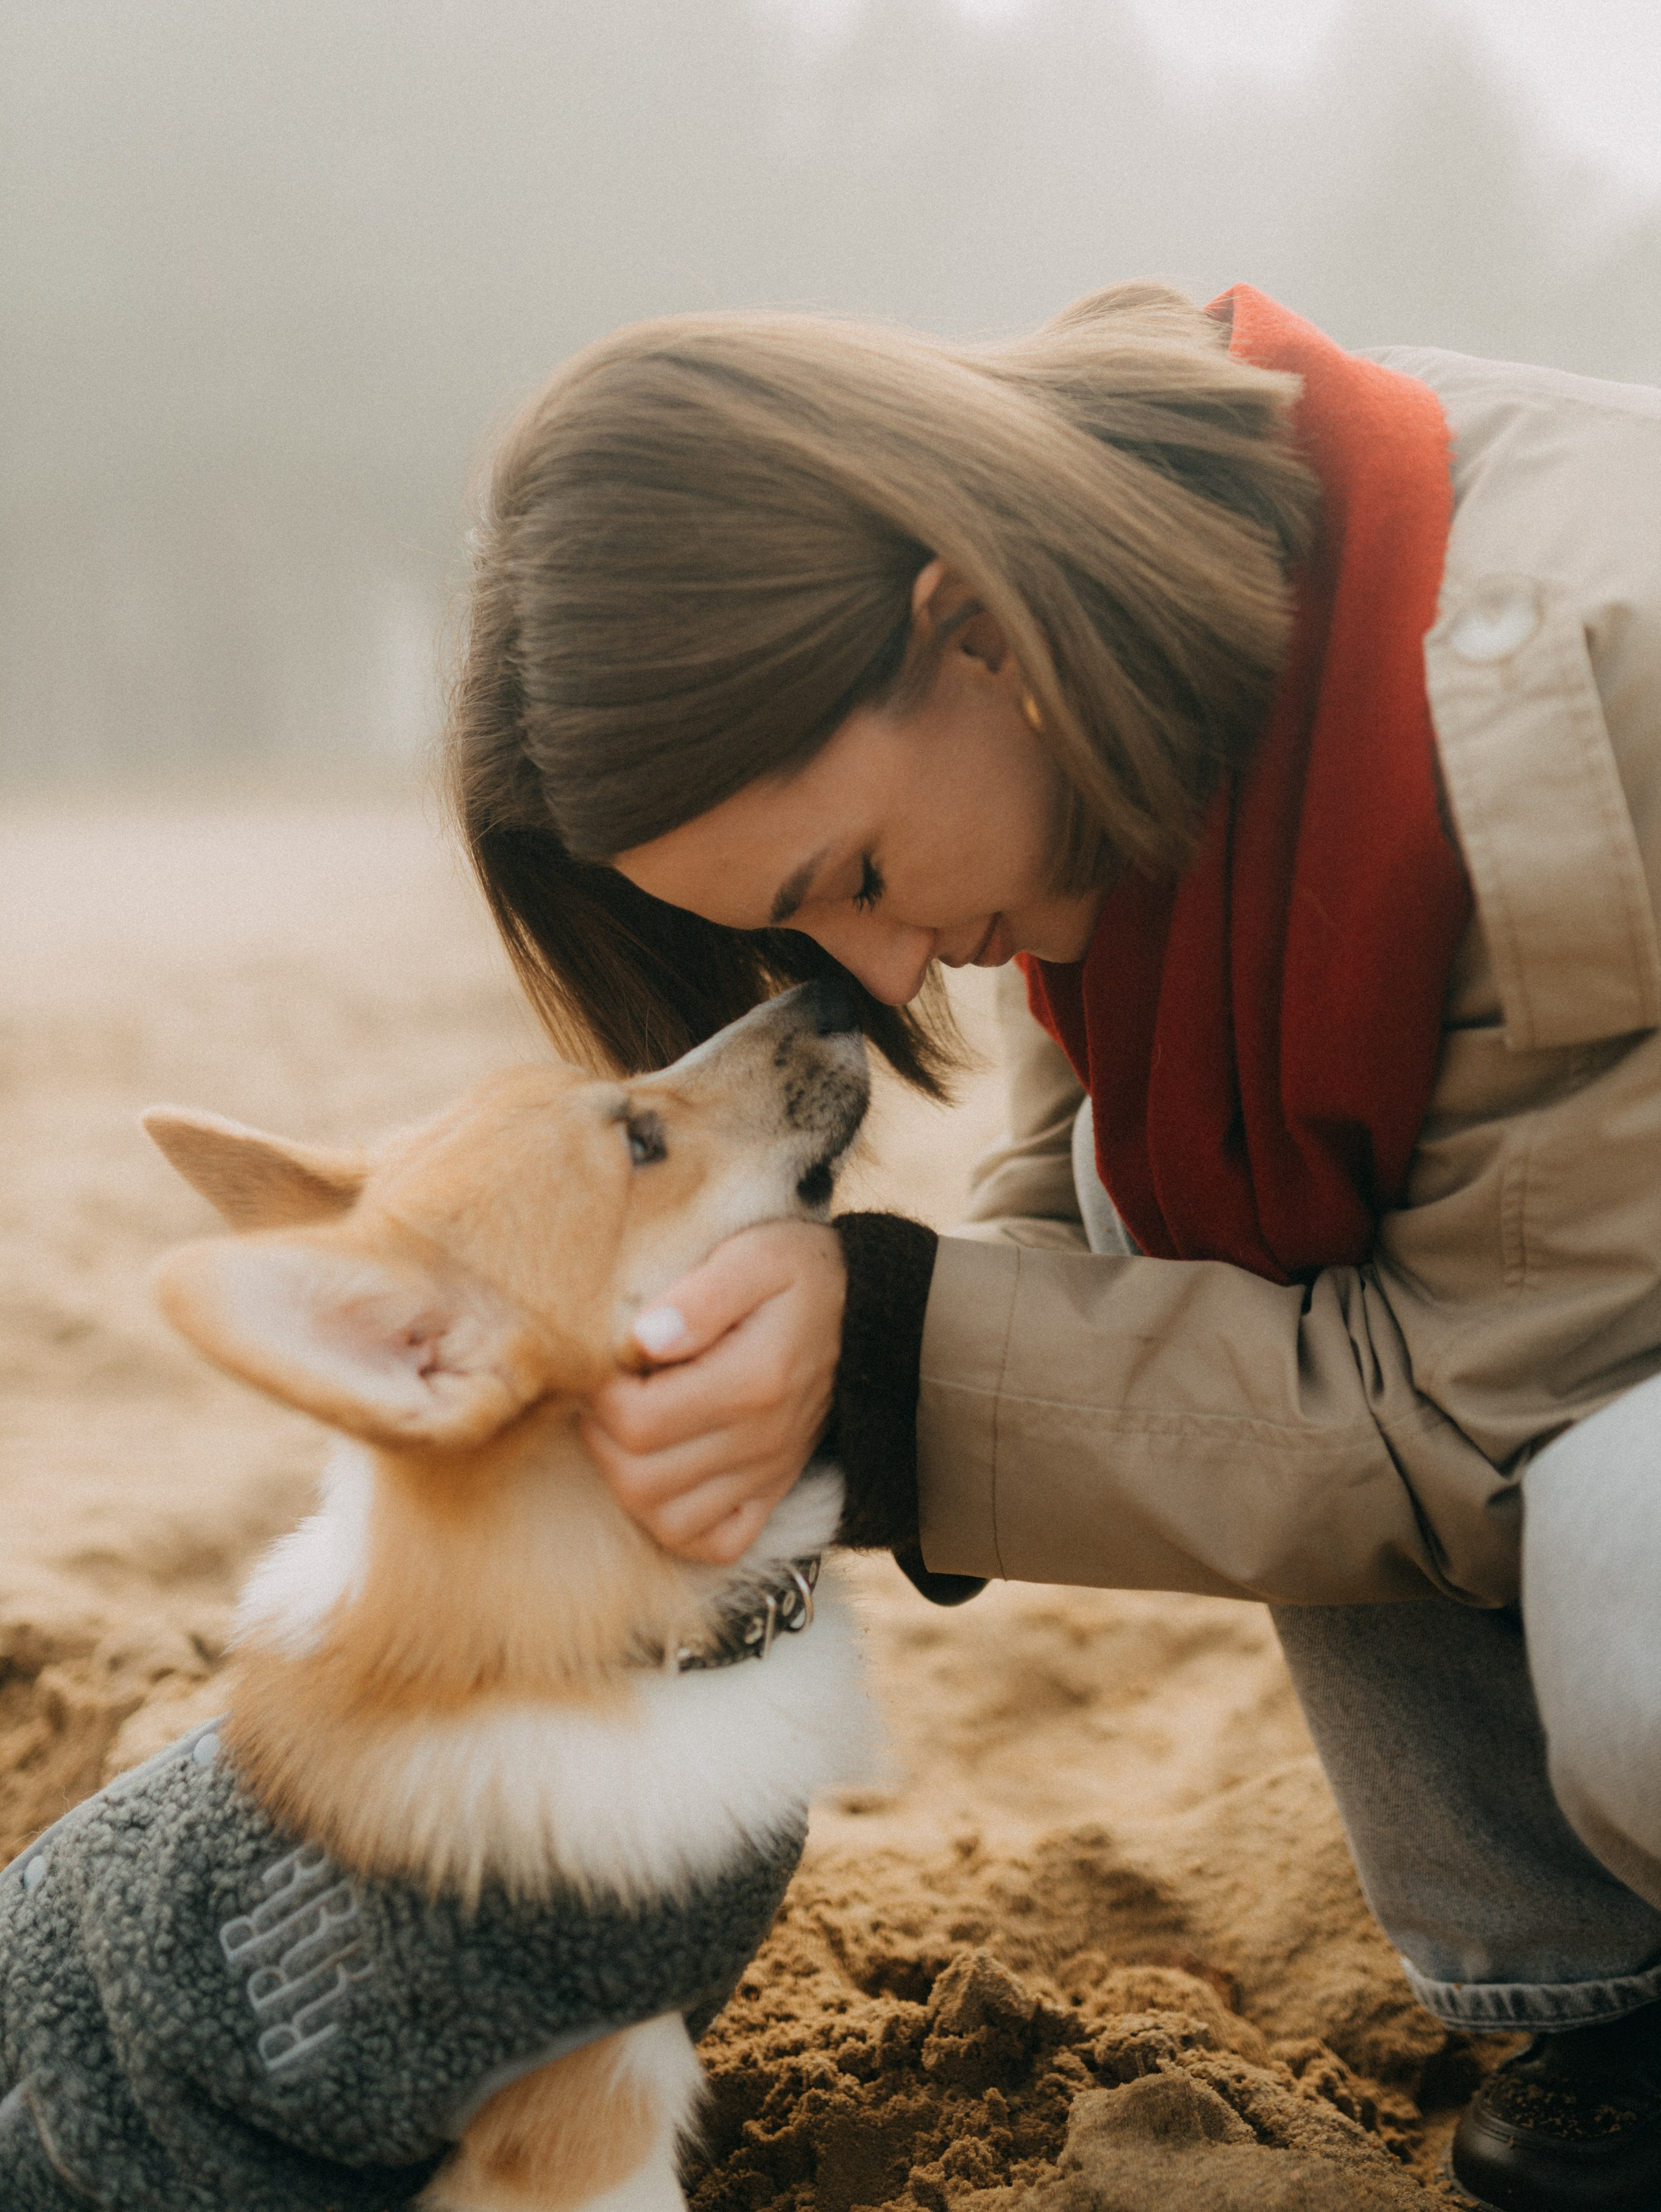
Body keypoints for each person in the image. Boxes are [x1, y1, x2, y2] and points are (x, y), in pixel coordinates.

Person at [447, 279, 1661, 2212]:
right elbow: (1096, 1209)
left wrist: (880, 1366)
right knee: (1171, 1203)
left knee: (1642, 1586)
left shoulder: (1546, 693)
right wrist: (849, 1338)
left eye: (845, 878)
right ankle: (1608, 2001)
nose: (879, 969)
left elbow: (1485, 1393)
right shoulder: (1154, 677)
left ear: (973, 623)